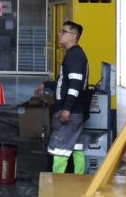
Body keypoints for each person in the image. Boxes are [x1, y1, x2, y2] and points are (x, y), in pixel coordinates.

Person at [36, 20, 89, 174]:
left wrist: (66, 108)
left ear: (74, 36)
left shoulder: (75, 56)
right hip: (77, 111)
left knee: (58, 149)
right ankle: (78, 183)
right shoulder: (73, 54)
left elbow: (75, 85)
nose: (59, 34)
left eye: (63, 31)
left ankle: (56, 188)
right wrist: (46, 85)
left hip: (70, 113)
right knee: (76, 148)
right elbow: (65, 82)